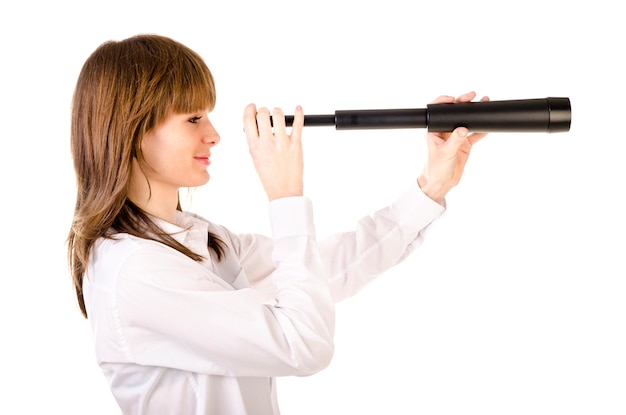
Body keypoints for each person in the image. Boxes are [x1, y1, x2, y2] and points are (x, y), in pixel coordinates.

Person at [67, 33, 488, 415]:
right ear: (132, 131)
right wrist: (285, 196)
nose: (214, 135)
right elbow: (302, 345)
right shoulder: (134, 271)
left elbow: (323, 270)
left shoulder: (202, 238)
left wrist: (432, 184)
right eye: (193, 119)